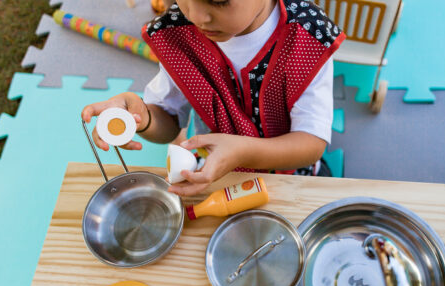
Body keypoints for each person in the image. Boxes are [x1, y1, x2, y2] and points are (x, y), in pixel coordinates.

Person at [81, 0, 345, 196]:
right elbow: (169, 124)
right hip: (215, 175)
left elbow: (311, 144)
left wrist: (243, 152)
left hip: (288, 176)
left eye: (218, 0)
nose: (196, 16)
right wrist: (143, 117)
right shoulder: (178, 33)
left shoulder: (307, 36)